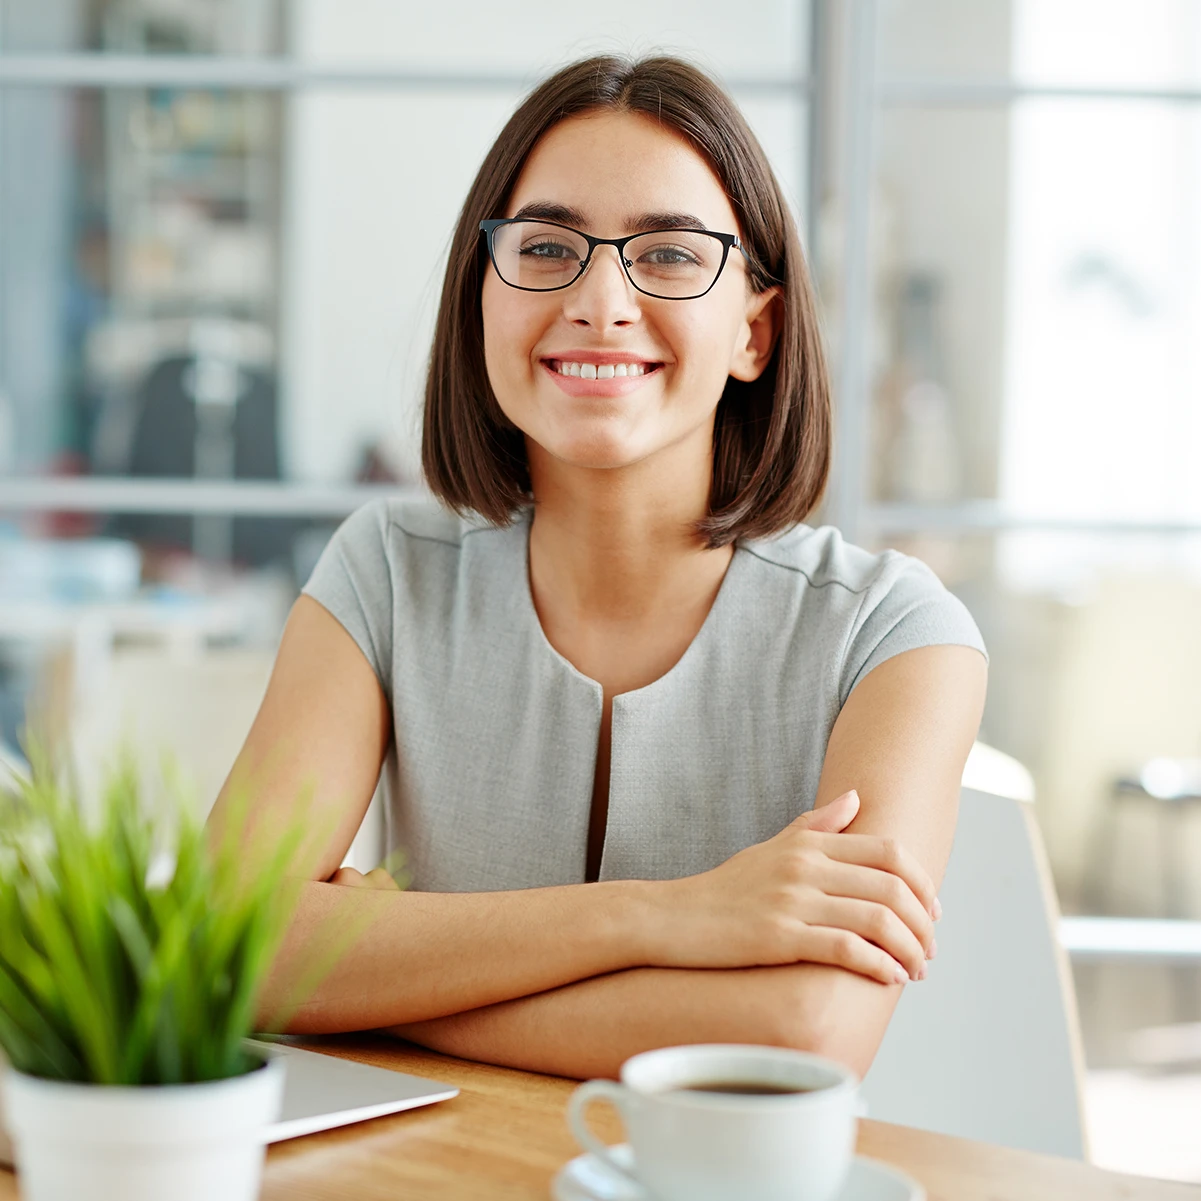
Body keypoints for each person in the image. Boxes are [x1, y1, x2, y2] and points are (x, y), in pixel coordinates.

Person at [209, 53, 988, 1081]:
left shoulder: (896, 635)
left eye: (668, 255)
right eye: (546, 247)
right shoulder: (386, 572)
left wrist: (383, 979)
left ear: (754, 331)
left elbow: (801, 1030)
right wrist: (677, 916)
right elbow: (227, 947)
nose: (600, 301)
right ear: (480, 298)